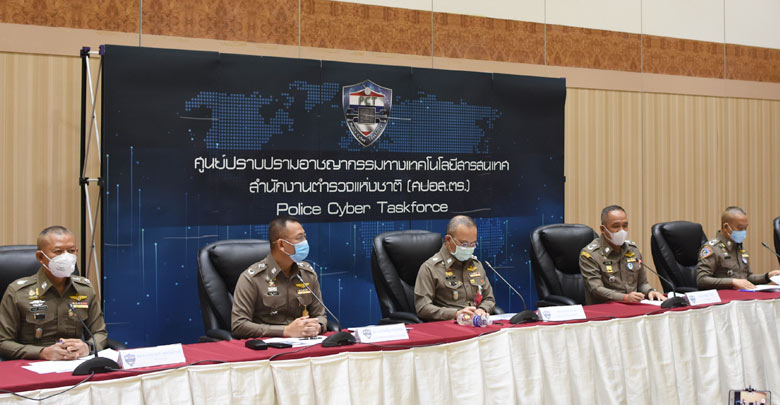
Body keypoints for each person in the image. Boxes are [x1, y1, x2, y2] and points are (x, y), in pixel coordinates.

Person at [0, 226, 107, 360]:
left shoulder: (85, 289)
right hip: (33, 364)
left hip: (75, 362)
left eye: (71, 251)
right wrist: (42, 352)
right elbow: (3, 342)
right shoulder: (18, 292)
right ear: (40, 257)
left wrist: (88, 346)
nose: (66, 257)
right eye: (58, 252)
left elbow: (99, 333)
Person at [231, 216, 327, 338]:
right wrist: (285, 331)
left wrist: (317, 326)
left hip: (304, 343)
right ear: (282, 244)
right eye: (299, 238)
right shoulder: (252, 278)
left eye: (305, 236)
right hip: (267, 345)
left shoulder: (307, 274)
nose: (305, 242)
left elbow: (320, 316)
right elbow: (239, 325)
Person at [415, 215, 496, 322]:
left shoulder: (476, 265)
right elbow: (423, 308)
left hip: (476, 323)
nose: (469, 248)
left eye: (473, 244)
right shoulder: (430, 268)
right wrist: (455, 314)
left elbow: (489, 299)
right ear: (448, 240)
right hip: (448, 325)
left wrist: (482, 309)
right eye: (464, 244)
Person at [579, 205, 665, 304]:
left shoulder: (633, 250)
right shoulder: (590, 254)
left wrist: (650, 291)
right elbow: (596, 289)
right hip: (605, 308)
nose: (621, 230)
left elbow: (642, 284)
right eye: (616, 226)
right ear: (603, 229)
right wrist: (625, 298)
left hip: (633, 305)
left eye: (625, 225)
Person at [696, 206, 780, 289]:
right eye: (740, 228)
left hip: (741, 295)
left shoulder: (740, 248)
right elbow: (702, 280)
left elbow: (747, 278)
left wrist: (768, 276)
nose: (743, 231)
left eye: (745, 228)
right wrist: (732, 282)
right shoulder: (712, 248)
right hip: (723, 295)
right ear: (726, 227)